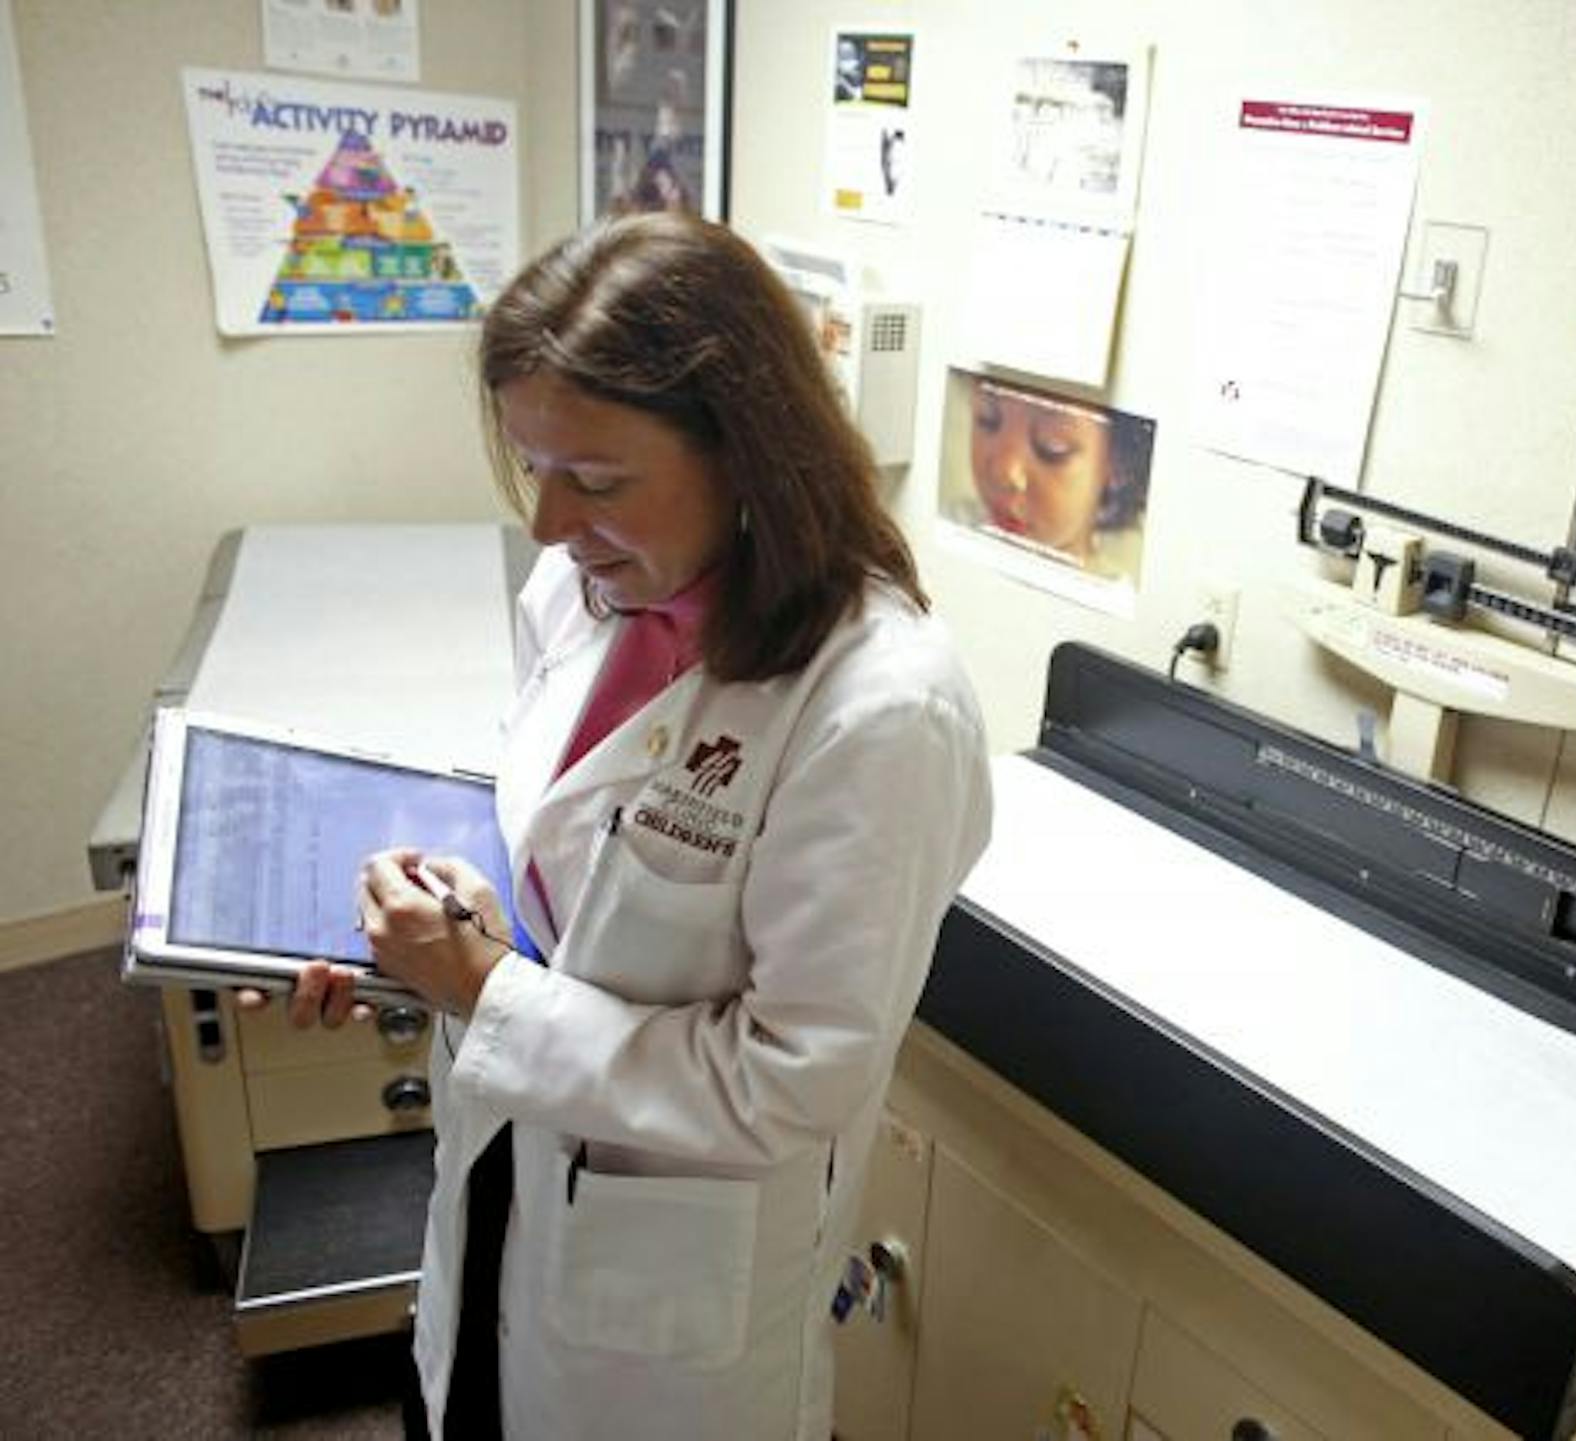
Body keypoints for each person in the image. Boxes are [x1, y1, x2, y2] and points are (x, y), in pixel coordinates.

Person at [274, 211, 993, 1439]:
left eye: (597, 480)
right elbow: (564, 873)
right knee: (468, 1401)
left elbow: (792, 1077)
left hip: (671, 1290)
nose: (548, 521)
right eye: (533, 466)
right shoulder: (582, 589)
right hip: (504, 1167)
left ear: (747, 455)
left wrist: (485, 991)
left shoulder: (878, 708)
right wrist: (431, 935)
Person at [965, 376, 1151, 574]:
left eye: (1052, 446)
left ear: (1120, 465)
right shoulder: (956, 524)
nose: (1003, 473)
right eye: (987, 419)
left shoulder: (1111, 595)